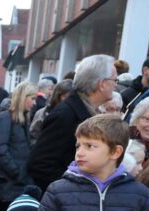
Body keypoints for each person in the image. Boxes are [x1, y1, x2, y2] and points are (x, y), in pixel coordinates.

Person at [27, 54, 117, 191]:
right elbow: (40, 165)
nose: (116, 85)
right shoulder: (65, 115)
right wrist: (73, 191)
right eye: (114, 80)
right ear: (102, 84)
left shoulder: (89, 112)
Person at [0, 81, 38, 211]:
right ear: (23, 97)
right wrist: (15, 172)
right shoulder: (6, 117)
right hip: (8, 183)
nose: (34, 103)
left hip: (17, 182)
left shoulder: (22, 120)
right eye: (33, 98)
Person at [29, 79, 73, 146]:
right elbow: (33, 136)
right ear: (58, 96)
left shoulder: (75, 115)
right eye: (64, 97)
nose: (67, 100)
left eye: (70, 98)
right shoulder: (44, 113)